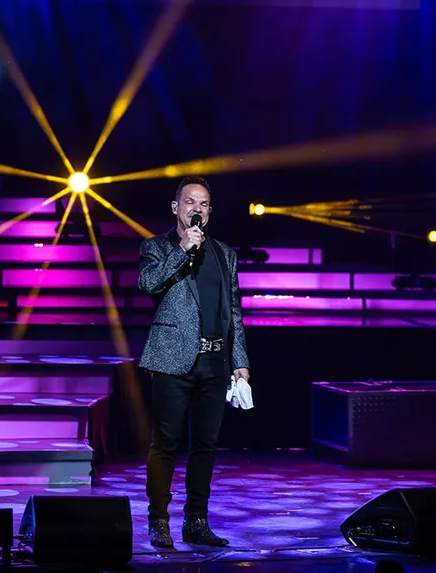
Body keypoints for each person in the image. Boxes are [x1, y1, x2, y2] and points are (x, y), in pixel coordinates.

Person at [137, 176, 251, 548]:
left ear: (210, 211)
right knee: (165, 443)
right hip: (172, 358)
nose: (196, 209)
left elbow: (234, 311)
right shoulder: (157, 246)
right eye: (190, 202)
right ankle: (158, 520)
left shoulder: (224, 254)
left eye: (203, 204)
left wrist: (240, 360)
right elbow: (148, 284)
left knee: (205, 445)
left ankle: (196, 521)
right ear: (176, 207)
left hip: (215, 362)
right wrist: (182, 249)